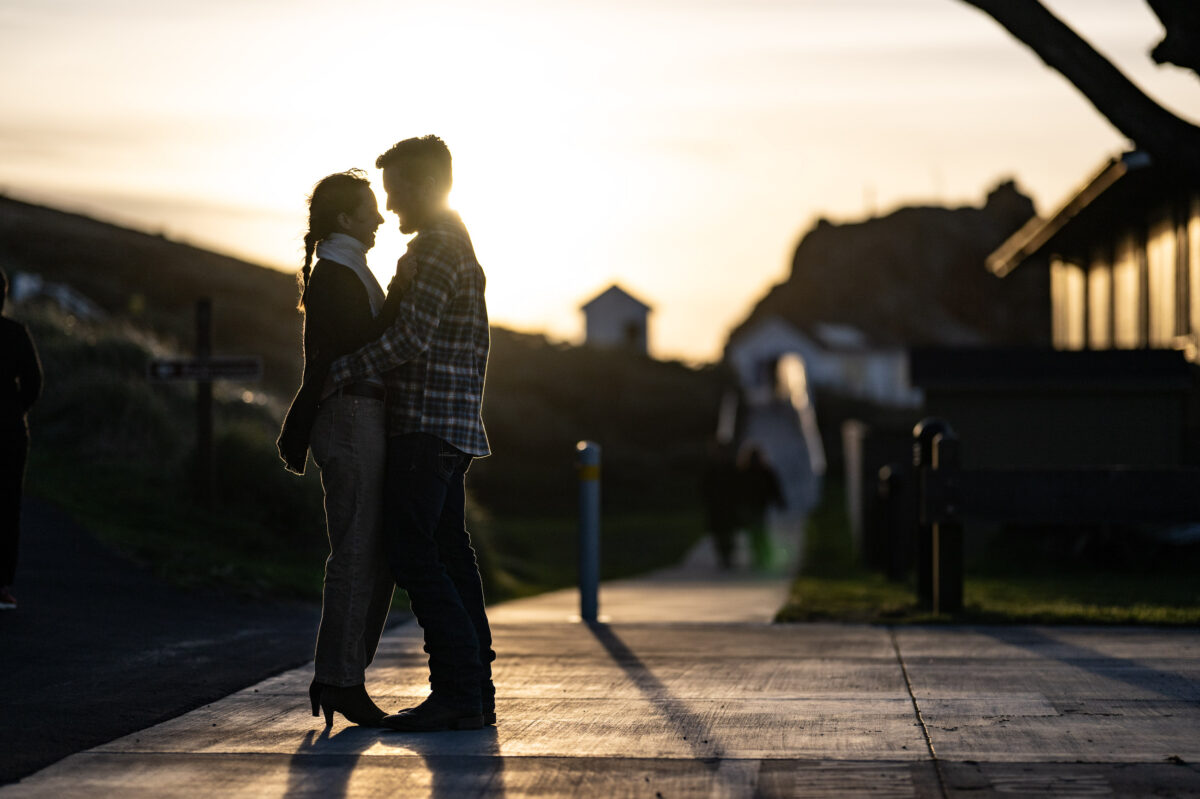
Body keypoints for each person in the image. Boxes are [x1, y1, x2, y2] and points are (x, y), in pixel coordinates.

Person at [327, 135, 494, 732]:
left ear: (427, 187)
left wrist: (337, 371)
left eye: (397, 195)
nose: (392, 210)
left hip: (424, 428)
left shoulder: (436, 248)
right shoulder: (456, 244)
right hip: (451, 429)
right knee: (451, 557)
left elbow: (409, 340)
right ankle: (476, 693)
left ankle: (455, 690)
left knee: (413, 555)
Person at [277, 169, 401, 726]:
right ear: (346, 219)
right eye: (369, 210)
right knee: (356, 552)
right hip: (350, 416)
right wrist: (407, 298)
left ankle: (341, 676)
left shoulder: (344, 268)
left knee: (364, 552)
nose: (379, 219)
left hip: (356, 415)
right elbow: (359, 344)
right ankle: (341, 681)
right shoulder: (336, 274)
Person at [0, 267, 42, 611]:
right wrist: (15, 410)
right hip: (8, 432)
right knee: (7, 506)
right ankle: (0, 585)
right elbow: (34, 383)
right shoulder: (15, 334)